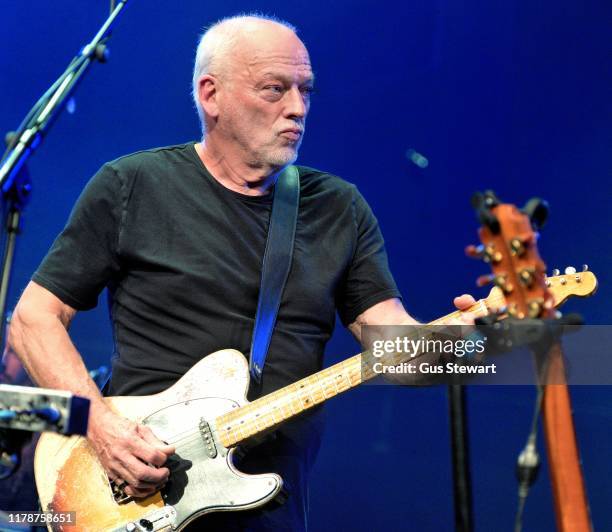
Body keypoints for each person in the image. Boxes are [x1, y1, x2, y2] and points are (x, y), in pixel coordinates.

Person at [8, 14, 474, 531]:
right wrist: (100, 427)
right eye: (275, 89)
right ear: (211, 95)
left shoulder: (339, 208)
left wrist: (461, 350)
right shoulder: (132, 185)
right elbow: (33, 319)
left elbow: (393, 347)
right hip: (133, 494)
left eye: (305, 90)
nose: (297, 108)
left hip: (270, 509)